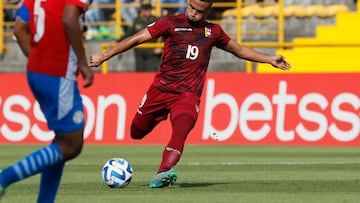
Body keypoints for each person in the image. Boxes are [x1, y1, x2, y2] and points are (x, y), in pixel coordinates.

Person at [89, 0, 290, 188]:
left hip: (187, 95)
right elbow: (137, 38)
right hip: (160, 90)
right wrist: (105, 56)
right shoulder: (170, 23)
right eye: (191, 7)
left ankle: (164, 172)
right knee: (136, 132)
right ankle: (159, 119)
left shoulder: (213, 32)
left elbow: (239, 50)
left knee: (181, 129)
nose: (193, 12)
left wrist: (269, 58)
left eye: (199, 11)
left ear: (207, 12)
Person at [0, 0, 94, 201]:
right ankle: (4, 178)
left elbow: (19, 29)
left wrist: (38, 59)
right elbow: (69, 19)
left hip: (36, 71)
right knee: (71, 145)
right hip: (58, 74)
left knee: (61, 141)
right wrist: (83, 64)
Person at [113, 2, 162, 72]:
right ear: (142, 10)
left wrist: (161, 47)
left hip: (152, 51)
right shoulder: (137, 21)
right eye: (145, 9)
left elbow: (164, 34)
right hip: (139, 51)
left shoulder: (156, 20)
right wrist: (117, 41)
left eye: (149, 9)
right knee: (139, 74)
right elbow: (129, 34)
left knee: (151, 73)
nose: (147, 11)